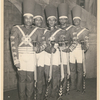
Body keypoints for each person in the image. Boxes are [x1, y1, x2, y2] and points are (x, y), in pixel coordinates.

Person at [10, 0, 44, 100]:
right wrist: (16, 60)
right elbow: (13, 45)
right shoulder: (16, 29)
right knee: (21, 80)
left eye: (30, 18)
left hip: (31, 58)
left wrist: (38, 48)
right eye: (26, 18)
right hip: (20, 57)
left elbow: (43, 44)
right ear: (23, 18)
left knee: (30, 80)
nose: (28, 20)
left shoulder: (37, 31)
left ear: (33, 19)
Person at [44, 4, 64, 100]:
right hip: (46, 54)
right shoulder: (44, 32)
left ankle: (55, 95)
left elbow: (63, 43)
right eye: (49, 20)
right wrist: (48, 49)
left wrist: (58, 46)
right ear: (47, 21)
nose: (51, 22)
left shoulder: (60, 31)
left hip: (55, 55)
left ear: (56, 21)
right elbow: (42, 43)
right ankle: (47, 94)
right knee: (47, 74)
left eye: (53, 20)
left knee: (55, 75)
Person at [69, 6, 89, 92]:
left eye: (78, 20)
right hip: (71, 51)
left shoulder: (85, 30)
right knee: (72, 69)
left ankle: (78, 86)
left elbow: (87, 44)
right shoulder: (69, 29)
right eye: (75, 20)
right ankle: (73, 85)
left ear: (80, 20)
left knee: (79, 70)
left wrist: (84, 46)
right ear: (73, 20)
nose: (76, 21)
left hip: (79, 51)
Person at [33, 3, 49, 100]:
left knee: (43, 75)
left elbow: (46, 42)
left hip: (43, 54)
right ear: (34, 20)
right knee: (36, 76)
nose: (38, 21)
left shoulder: (45, 30)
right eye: (36, 19)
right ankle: (37, 95)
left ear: (42, 20)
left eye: (40, 19)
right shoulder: (31, 30)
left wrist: (39, 49)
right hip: (33, 55)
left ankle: (43, 95)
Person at [58, 3, 73, 95]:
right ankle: (58, 89)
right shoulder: (56, 28)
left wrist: (70, 49)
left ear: (67, 19)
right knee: (58, 71)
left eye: (64, 19)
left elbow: (75, 41)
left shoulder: (72, 29)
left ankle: (64, 89)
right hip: (57, 52)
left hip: (66, 52)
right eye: (61, 19)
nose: (62, 21)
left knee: (65, 70)